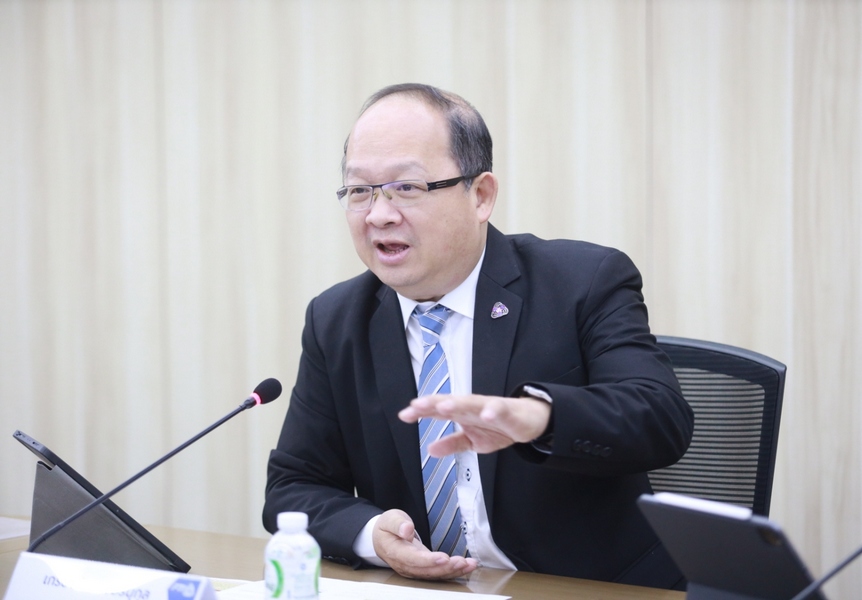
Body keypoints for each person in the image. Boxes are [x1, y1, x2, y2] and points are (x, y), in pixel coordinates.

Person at [263, 83, 694, 588]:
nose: (379, 214)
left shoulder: (583, 281)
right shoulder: (337, 320)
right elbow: (294, 486)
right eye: (360, 191)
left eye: (407, 187)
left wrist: (542, 418)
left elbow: (660, 418)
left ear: (481, 196)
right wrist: (372, 534)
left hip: (586, 588)